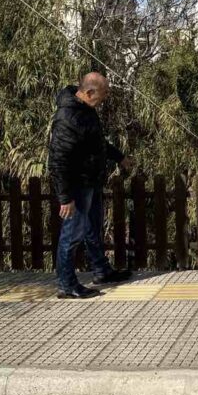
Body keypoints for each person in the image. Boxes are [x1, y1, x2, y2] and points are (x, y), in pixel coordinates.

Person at [48, 72, 133, 299]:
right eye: (102, 94)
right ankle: (66, 285)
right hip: (77, 185)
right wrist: (65, 197)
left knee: (92, 228)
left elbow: (96, 142)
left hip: (91, 180)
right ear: (89, 92)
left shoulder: (86, 110)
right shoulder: (67, 117)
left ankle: (101, 270)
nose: (104, 98)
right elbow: (58, 160)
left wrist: (119, 157)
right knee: (72, 235)